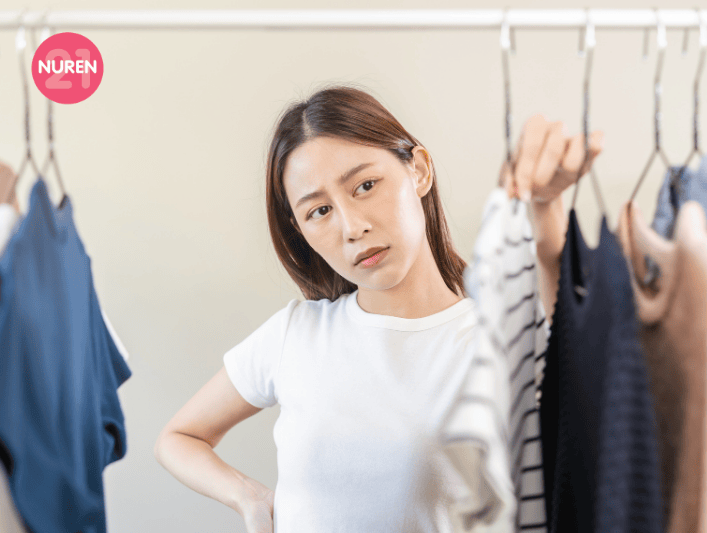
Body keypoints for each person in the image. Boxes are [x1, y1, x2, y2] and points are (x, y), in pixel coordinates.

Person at [153, 84, 602, 533]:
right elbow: (179, 438)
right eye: (319, 211)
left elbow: (583, 388)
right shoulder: (294, 334)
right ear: (300, 229)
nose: (352, 226)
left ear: (419, 170)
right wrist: (247, 497)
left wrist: (545, 209)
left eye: (365, 186)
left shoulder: (498, 338)